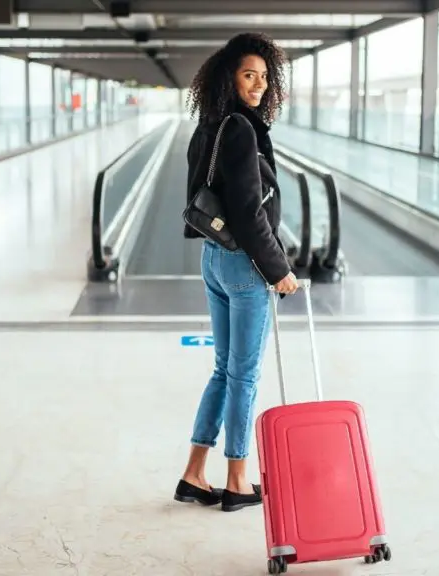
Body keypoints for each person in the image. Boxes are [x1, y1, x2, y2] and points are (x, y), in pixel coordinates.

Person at [173, 32, 300, 513]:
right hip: (245, 266)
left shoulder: (209, 125)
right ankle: (238, 482)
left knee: (224, 370)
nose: (259, 84)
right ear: (230, 77)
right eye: (250, 75)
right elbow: (249, 211)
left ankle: (194, 474)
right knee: (243, 376)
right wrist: (278, 270)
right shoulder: (242, 129)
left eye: (264, 77)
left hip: (214, 257)